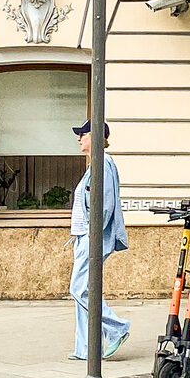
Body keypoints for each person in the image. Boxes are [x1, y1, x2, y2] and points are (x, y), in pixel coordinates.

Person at [69, 118, 130, 360]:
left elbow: (104, 205)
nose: (78, 138)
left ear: (94, 136)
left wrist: (93, 236)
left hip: (93, 238)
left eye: (82, 134)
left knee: (81, 289)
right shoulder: (96, 164)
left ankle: (117, 328)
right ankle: (85, 348)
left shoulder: (103, 164)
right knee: (83, 290)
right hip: (84, 237)